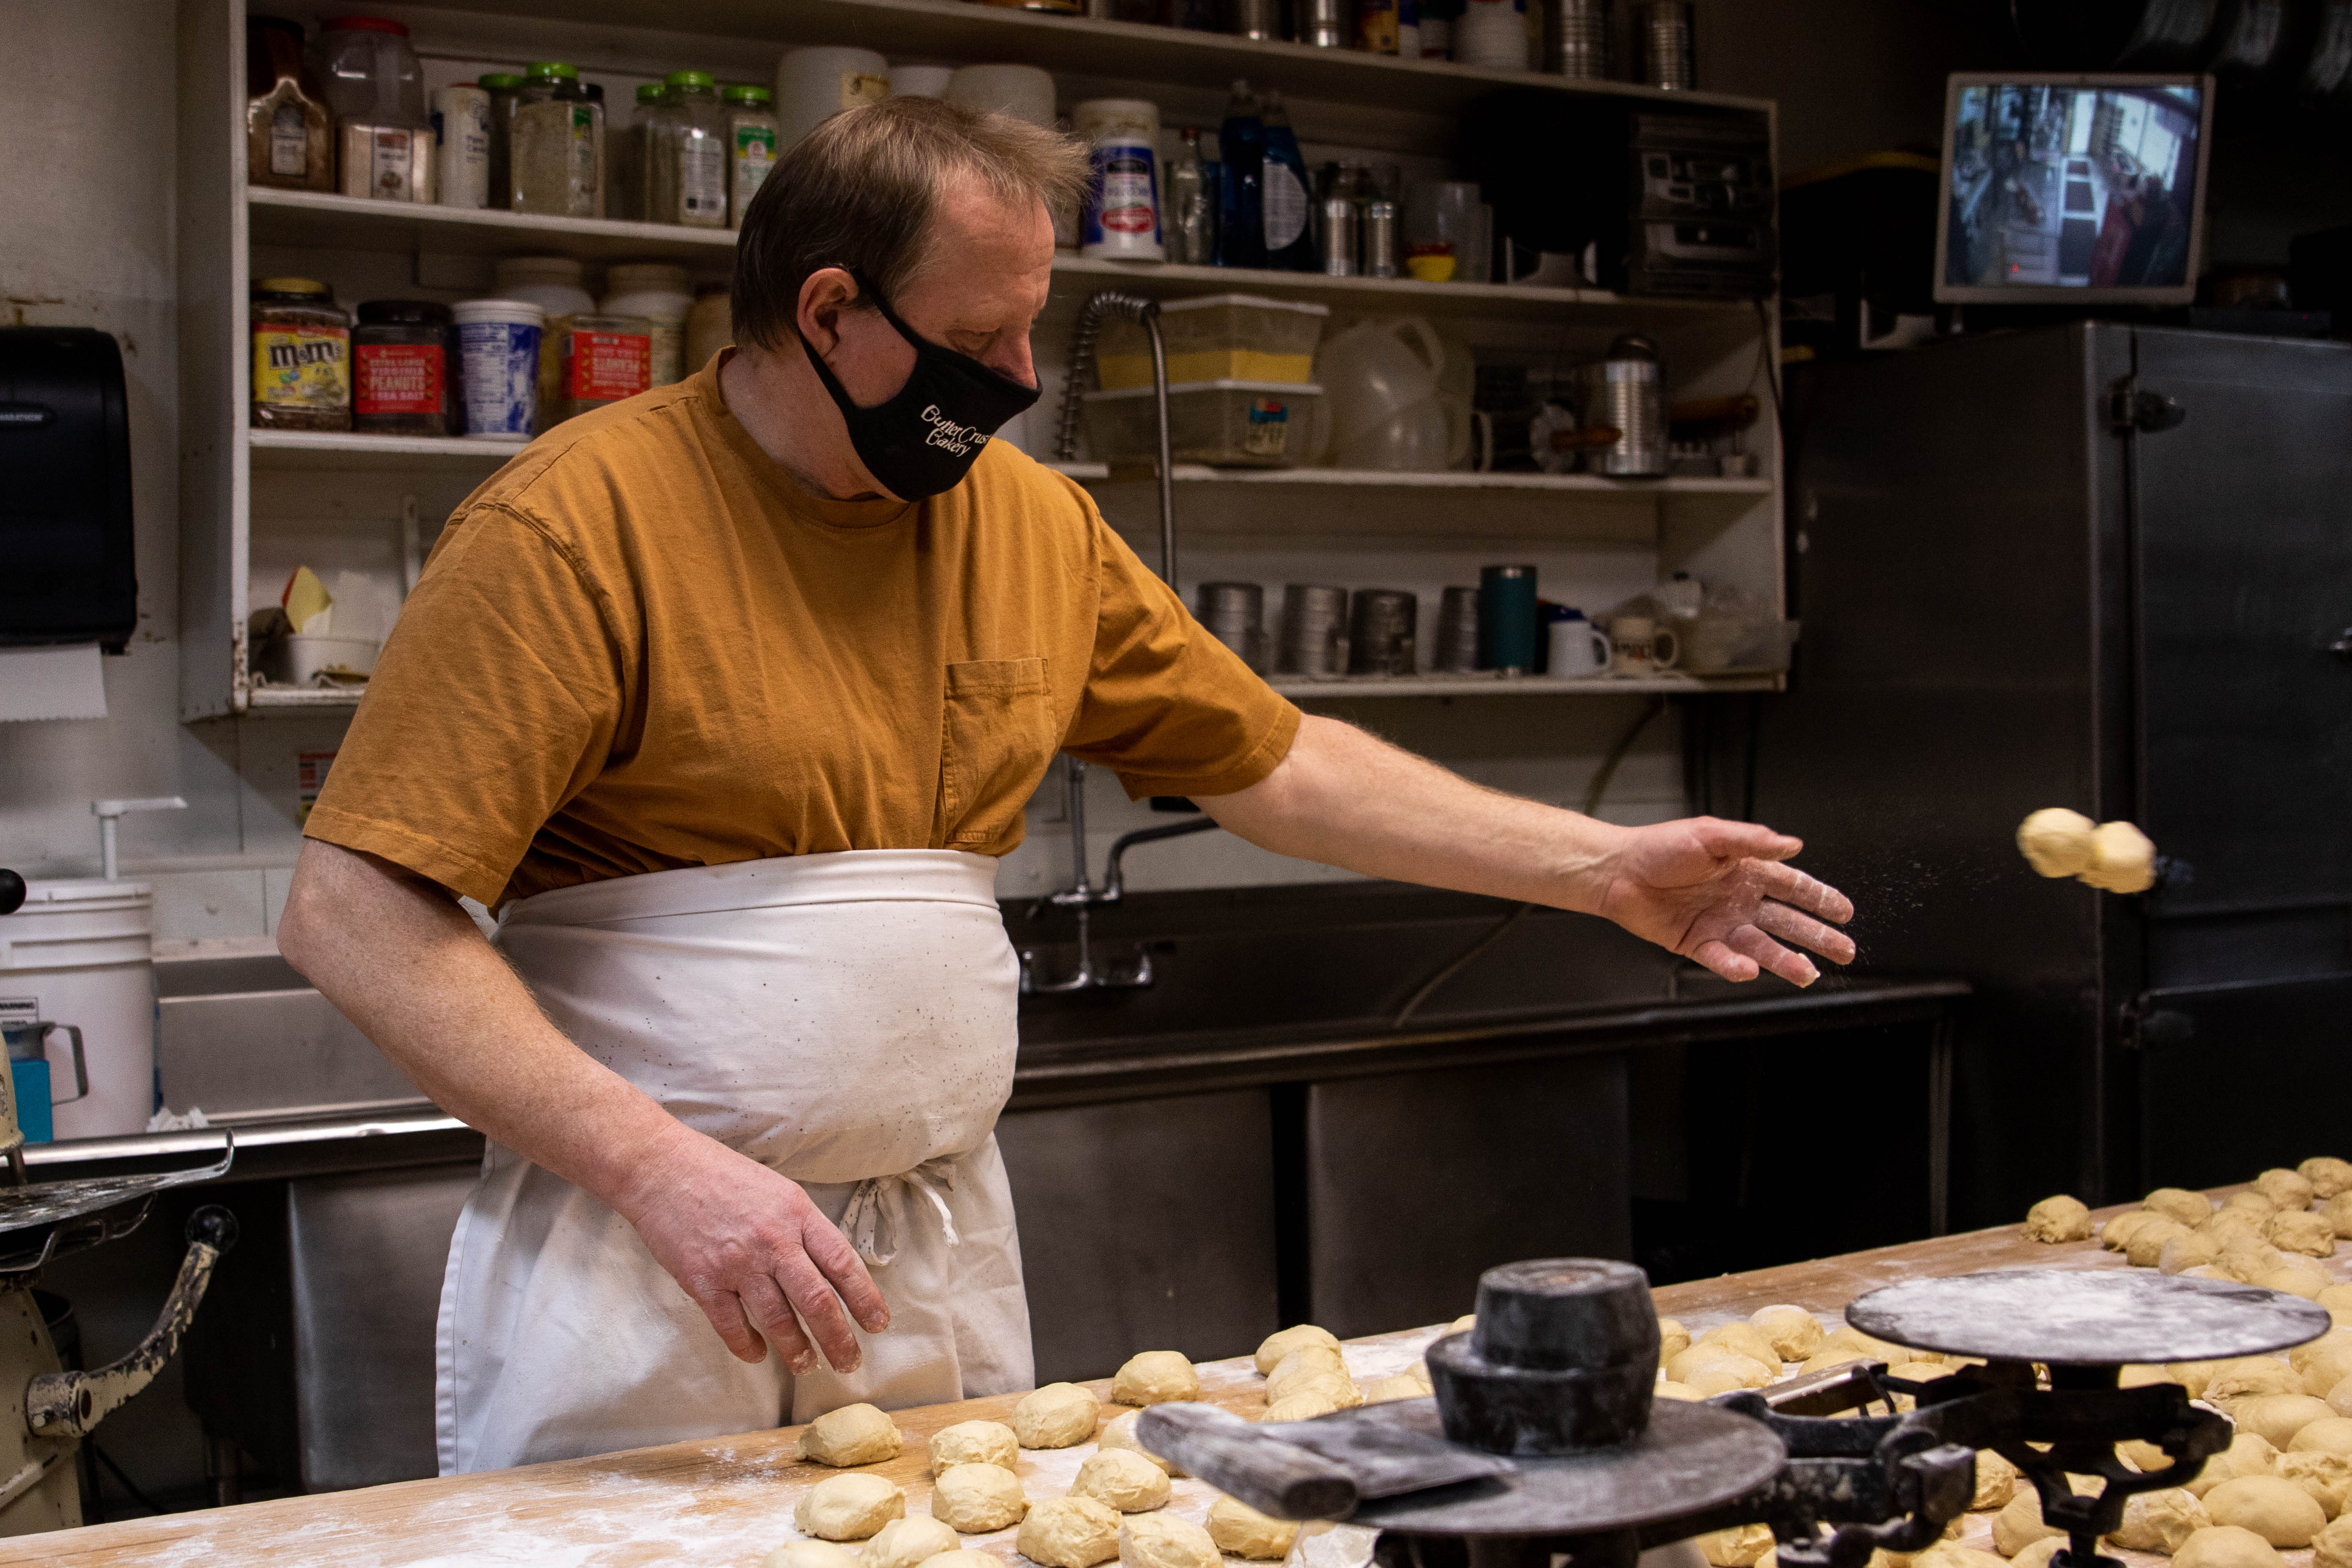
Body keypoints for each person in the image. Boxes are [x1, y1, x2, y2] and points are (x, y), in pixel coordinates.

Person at [276, 97, 1856, 1476]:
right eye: (976, 344)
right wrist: (662, 1171)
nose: (1020, 378)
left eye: (1032, 329)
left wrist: (1593, 867)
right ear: (828, 310)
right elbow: (352, 910)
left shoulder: (1023, 521)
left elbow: (1275, 759)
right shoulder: (578, 524)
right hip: (652, 1256)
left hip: (930, 1248)